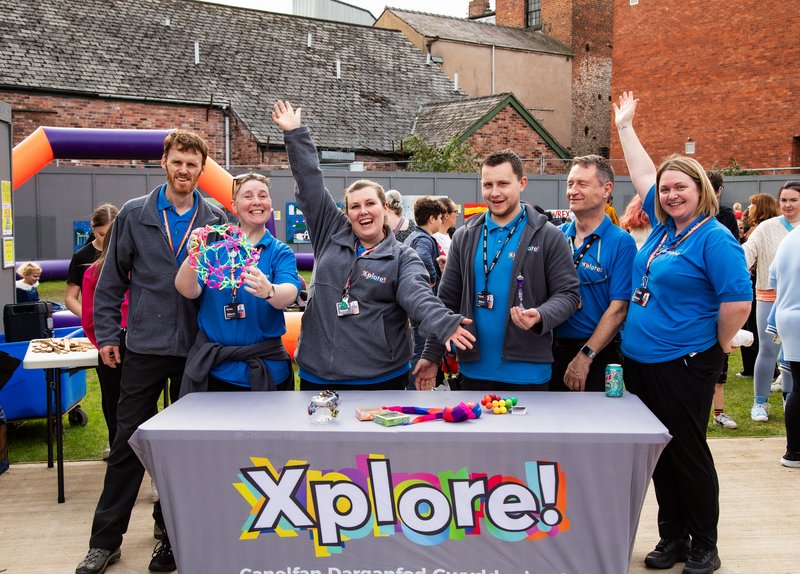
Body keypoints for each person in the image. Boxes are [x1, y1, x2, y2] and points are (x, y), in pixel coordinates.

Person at [75, 130, 226, 574]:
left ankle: (172, 537)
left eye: (192, 164)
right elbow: (111, 283)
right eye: (177, 161)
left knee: (182, 450)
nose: (184, 170)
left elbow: (219, 286)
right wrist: (107, 335)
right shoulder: (135, 214)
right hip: (142, 346)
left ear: (202, 169)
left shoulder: (214, 218)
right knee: (127, 445)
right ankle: (105, 541)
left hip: (195, 349)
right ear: (165, 161)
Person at [614, 91, 752, 574]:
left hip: (686, 362)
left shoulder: (714, 237)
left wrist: (710, 343)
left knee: (688, 453)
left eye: (681, 188)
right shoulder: (662, 230)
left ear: (701, 192)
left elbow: (737, 302)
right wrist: (626, 127)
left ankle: (704, 545)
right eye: (666, 189)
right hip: (643, 362)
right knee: (661, 456)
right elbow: (641, 175)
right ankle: (671, 537)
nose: (670, 195)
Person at [271, 100, 474, 391]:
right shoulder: (330, 232)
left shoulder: (403, 257)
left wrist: (444, 322)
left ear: (385, 209)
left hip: (380, 377)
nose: (363, 211)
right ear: (347, 213)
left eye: (370, 204)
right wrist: (295, 134)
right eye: (355, 206)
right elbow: (310, 184)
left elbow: (418, 296)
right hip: (319, 375)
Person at [415, 149, 580, 391]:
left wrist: (542, 315)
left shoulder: (548, 236)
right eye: (488, 184)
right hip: (473, 371)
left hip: (528, 374)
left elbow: (569, 294)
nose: (495, 193)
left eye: (503, 183)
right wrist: (431, 355)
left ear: (521, 183)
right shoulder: (465, 236)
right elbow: (447, 300)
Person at [175, 173, 300, 393]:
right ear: (234, 205)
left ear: (270, 204)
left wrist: (269, 290)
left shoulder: (280, 251)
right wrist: (192, 255)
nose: (257, 202)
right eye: (248, 196)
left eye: (263, 195)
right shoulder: (214, 251)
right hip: (216, 371)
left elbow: (289, 293)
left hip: (267, 371)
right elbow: (188, 290)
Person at [550, 155, 636, 392]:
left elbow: (619, 309)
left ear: (606, 189)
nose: (572, 191)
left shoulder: (621, 242)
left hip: (598, 354)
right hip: (552, 351)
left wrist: (585, 356)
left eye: (582, 184)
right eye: (570, 184)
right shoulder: (555, 236)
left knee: (596, 426)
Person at [742, 181, 800, 422]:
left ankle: (790, 399)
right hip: (768, 294)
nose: (787, 205)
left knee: (792, 355)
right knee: (768, 350)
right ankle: (760, 402)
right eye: (783, 200)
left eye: (793, 200)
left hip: (795, 298)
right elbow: (747, 251)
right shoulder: (766, 227)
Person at [80, 211, 127, 461]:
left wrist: (102, 343)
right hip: (143, 343)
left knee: (114, 404)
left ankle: (119, 455)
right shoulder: (138, 268)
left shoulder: (93, 272)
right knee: (145, 404)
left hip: (112, 344)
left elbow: (90, 318)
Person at [707, 170, 740, 429]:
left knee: (719, 359)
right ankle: (716, 414)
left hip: (719, 302)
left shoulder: (722, 221)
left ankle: (718, 413)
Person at [737, 194, 779, 378]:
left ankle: (764, 370)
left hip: (762, 285)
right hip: (761, 282)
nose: (749, 208)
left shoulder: (762, 229)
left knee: (758, 329)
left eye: (752, 205)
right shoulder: (761, 228)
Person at [403, 196, 446, 374]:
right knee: (422, 349)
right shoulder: (425, 239)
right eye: (440, 218)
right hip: (421, 301)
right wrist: (432, 278)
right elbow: (422, 256)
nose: (441, 222)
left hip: (411, 300)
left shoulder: (412, 236)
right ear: (431, 219)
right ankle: (415, 387)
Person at [769, 225, 800, 468]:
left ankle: (794, 451)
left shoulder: (791, 237)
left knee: (797, 388)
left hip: (788, 316)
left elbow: (773, 278)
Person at [65, 204, 119, 317]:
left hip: (124, 323)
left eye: (112, 234)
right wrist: (89, 318)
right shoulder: (81, 256)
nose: (107, 240)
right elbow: (70, 298)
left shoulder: (126, 252)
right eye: (102, 234)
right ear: (92, 227)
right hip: (95, 325)